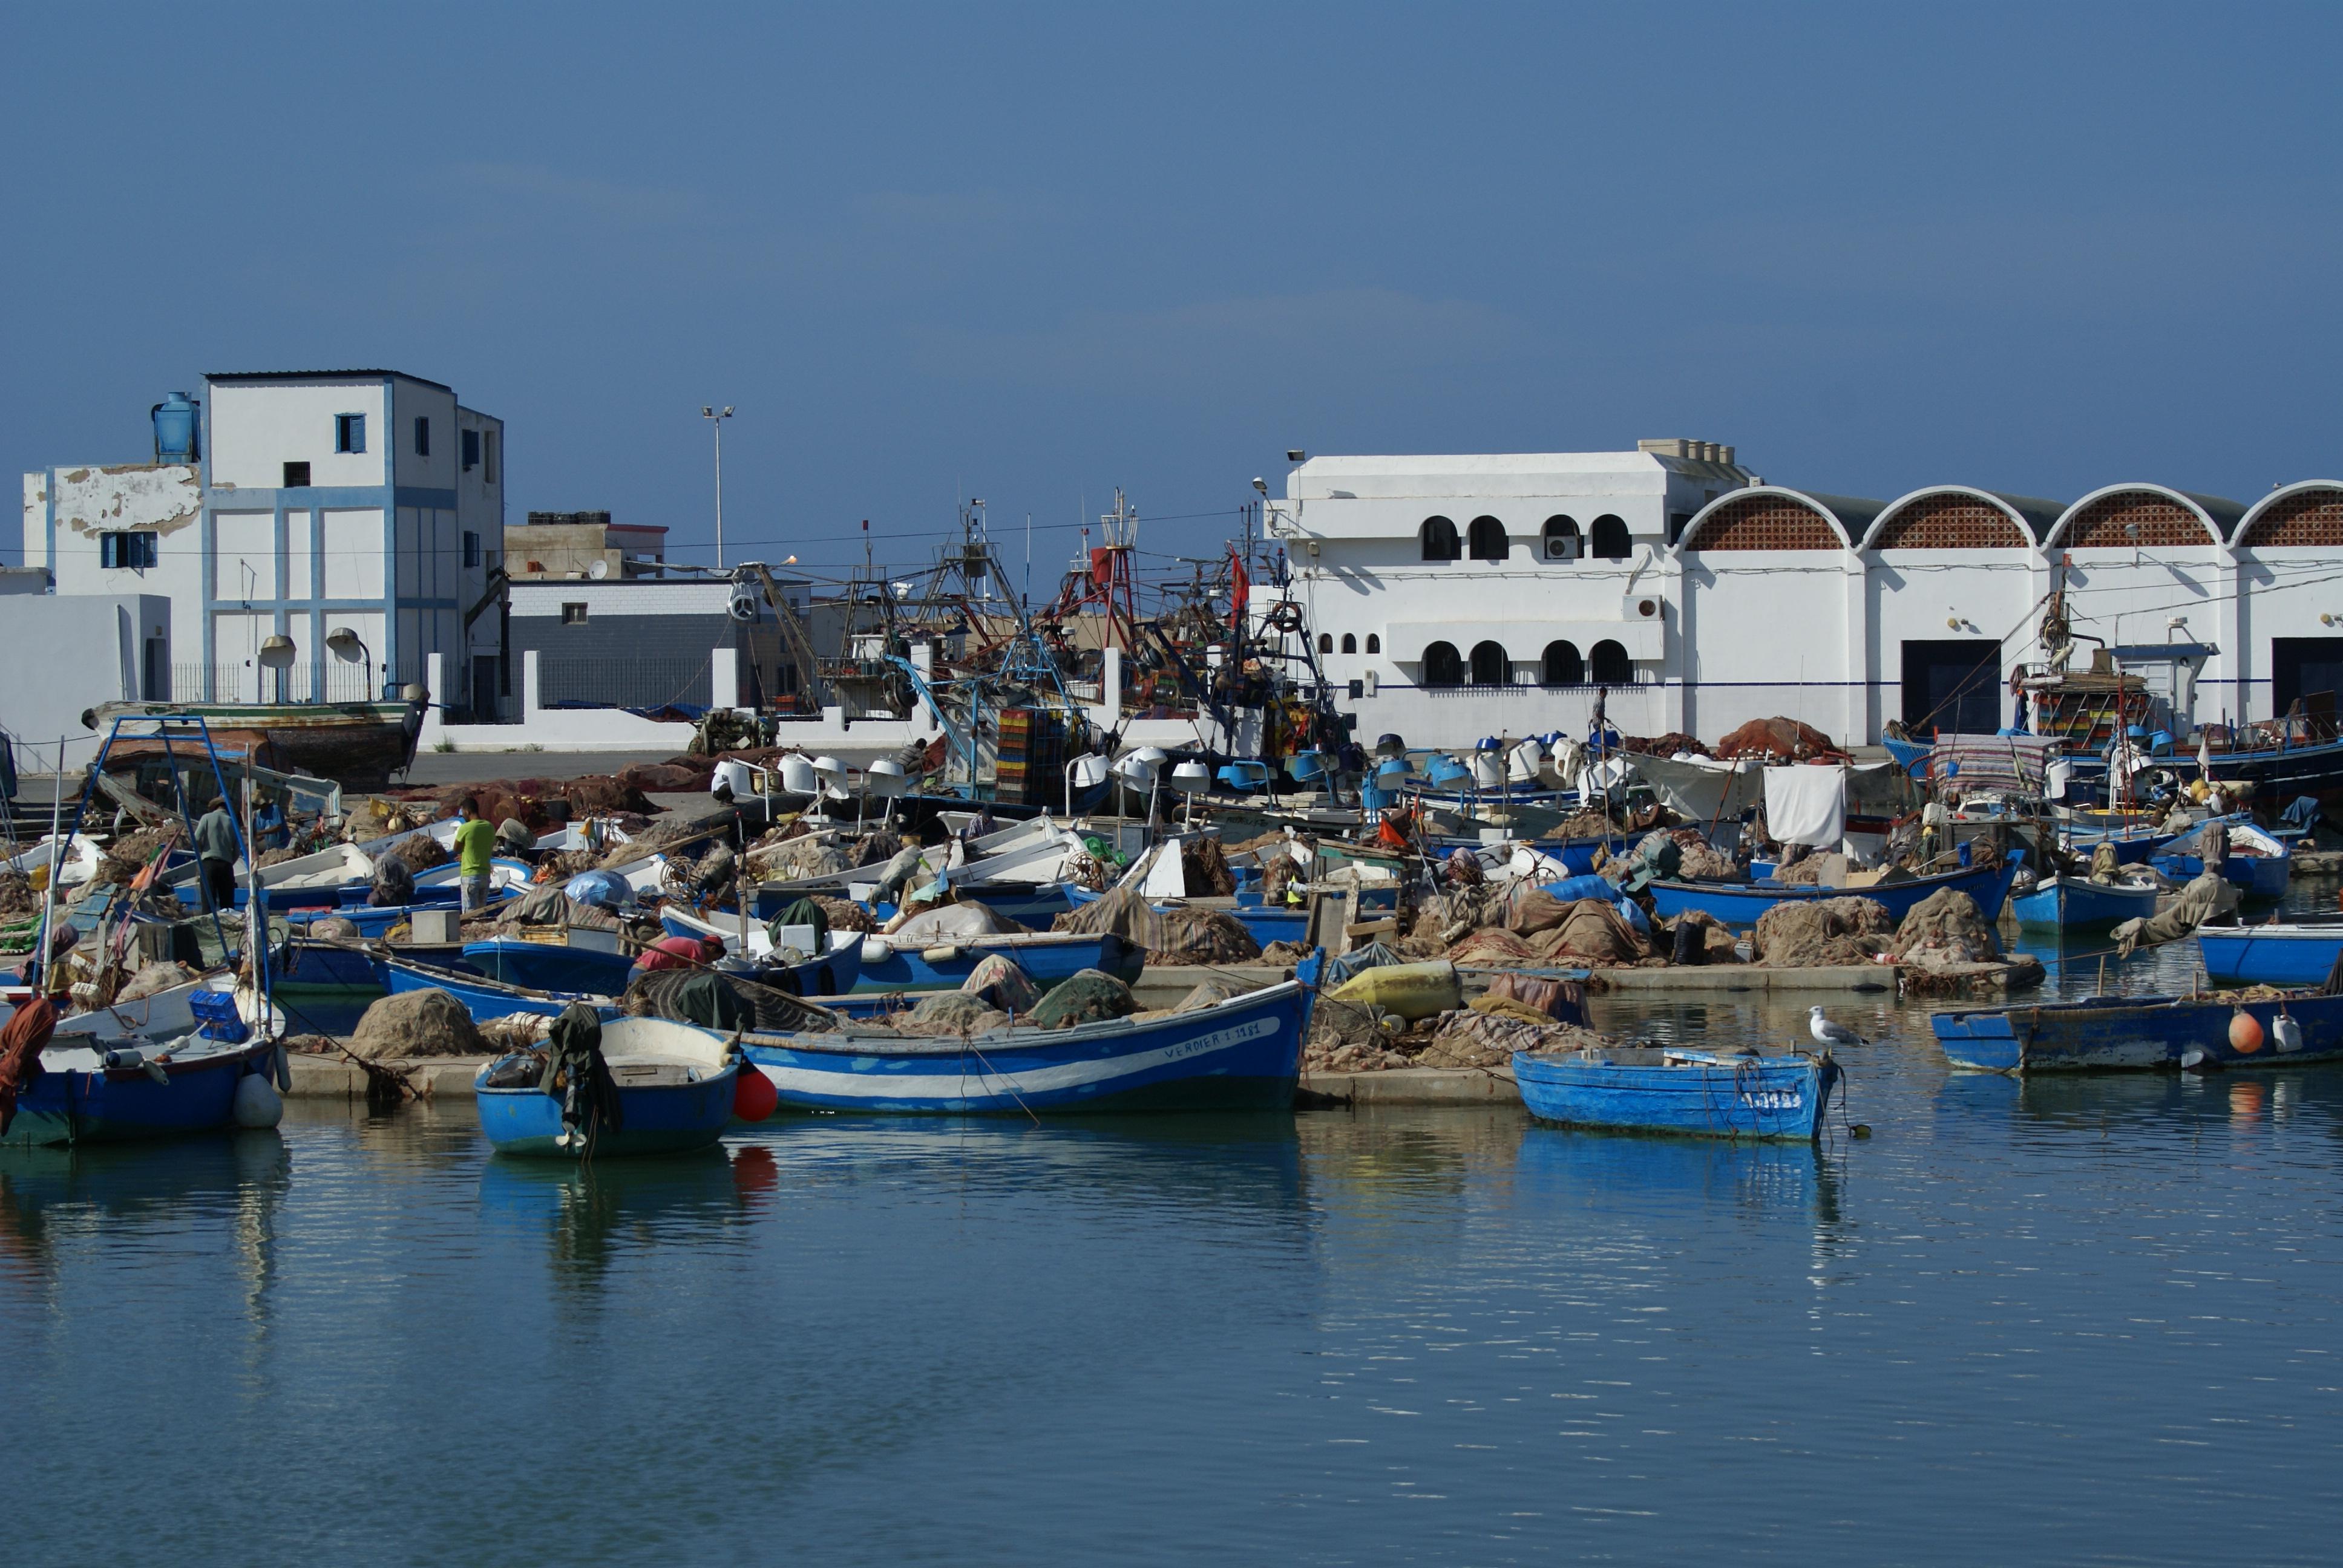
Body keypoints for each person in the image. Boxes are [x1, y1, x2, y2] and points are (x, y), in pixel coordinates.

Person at [194, 794, 239, 914]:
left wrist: (201, 853)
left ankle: (210, 929)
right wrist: (230, 861)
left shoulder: (207, 818)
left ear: (215, 806)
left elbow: (196, 839)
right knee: (228, 905)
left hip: (209, 863)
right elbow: (237, 850)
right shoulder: (232, 822)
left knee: (208, 904)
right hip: (226, 865)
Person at [452, 798, 496, 916]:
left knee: (469, 916)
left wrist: (464, 854)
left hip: (470, 876)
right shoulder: (490, 827)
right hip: (485, 876)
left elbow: (456, 849)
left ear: (467, 811)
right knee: (482, 914)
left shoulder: (466, 828)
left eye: (462, 812)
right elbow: (487, 846)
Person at [634, 933, 725, 974]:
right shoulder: (698, 949)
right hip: (644, 975)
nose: (709, 963)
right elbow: (695, 977)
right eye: (713, 959)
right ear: (712, 949)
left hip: (637, 969)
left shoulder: (691, 945)